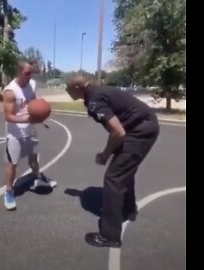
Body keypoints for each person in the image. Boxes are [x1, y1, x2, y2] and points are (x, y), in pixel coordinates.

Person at [65, 76, 160, 248]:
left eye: (68, 88)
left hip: (139, 131)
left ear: (78, 87)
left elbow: (117, 131)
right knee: (124, 170)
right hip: (141, 126)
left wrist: (105, 154)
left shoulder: (95, 100)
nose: (66, 91)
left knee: (113, 178)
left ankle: (110, 236)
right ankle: (128, 209)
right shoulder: (97, 93)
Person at [1, 60, 57, 211]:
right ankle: (9, 191)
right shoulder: (10, 91)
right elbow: (8, 117)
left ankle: (37, 177)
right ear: (19, 72)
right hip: (15, 134)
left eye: (31, 73)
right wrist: (28, 119)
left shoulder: (32, 84)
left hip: (30, 129)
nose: (29, 76)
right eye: (26, 73)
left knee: (34, 158)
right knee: (13, 164)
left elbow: (33, 105)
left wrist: (40, 118)